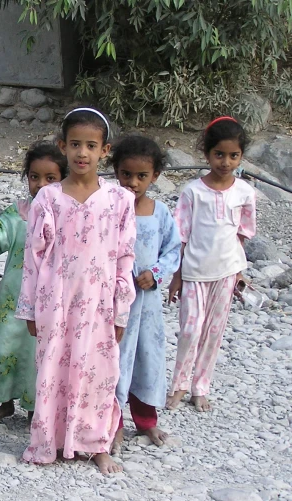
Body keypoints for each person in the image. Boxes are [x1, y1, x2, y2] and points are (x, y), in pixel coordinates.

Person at [15, 108, 136, 474]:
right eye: (75, 145)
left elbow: (125, 256)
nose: (82, 153)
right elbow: (33, 257)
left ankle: (96, 442)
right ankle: (48, 441)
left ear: (105, 150)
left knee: (100, 370)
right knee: (52, 369)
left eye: (91, 145)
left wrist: (121, 309)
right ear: (62, 146)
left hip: (98, 302)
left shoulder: (119, 201)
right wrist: (30, 308)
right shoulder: (48, 199)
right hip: (56, 300)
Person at [166, 116, 256, 412]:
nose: (226, 162)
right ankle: (178, 385)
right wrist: (176, 276)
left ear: (242, 156)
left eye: (234, 156)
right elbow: (181, 235)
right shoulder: (194, 191)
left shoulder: (244, 192)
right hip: (194, 272)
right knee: (190, 328)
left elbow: (243, 233)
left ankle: (200, 387)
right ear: (207, 154)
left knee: (213, 332)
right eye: (219, 154)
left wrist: (239, 271)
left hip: (226, 272)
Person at [0, 143, 67, 426]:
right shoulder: (16, 214)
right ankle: (5, 404)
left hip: (50, 300)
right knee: (1, 346)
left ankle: (35, 409)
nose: (41, 184)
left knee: (37, 353)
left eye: (50, 178)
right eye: (34, 177)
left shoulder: (70, 217)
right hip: (12, 299)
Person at [110, 136, 181, 451]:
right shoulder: (108, 206)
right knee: (114, 359)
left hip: (147, 303)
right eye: (126, 174)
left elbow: (173, 250)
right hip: (115, 302)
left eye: (141, 176)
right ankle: (113, 423)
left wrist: (155, 274)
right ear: (116, 171)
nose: (133, 182)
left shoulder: (160, 213)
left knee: (146, 359)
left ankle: (146, 421)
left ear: (155, 176)